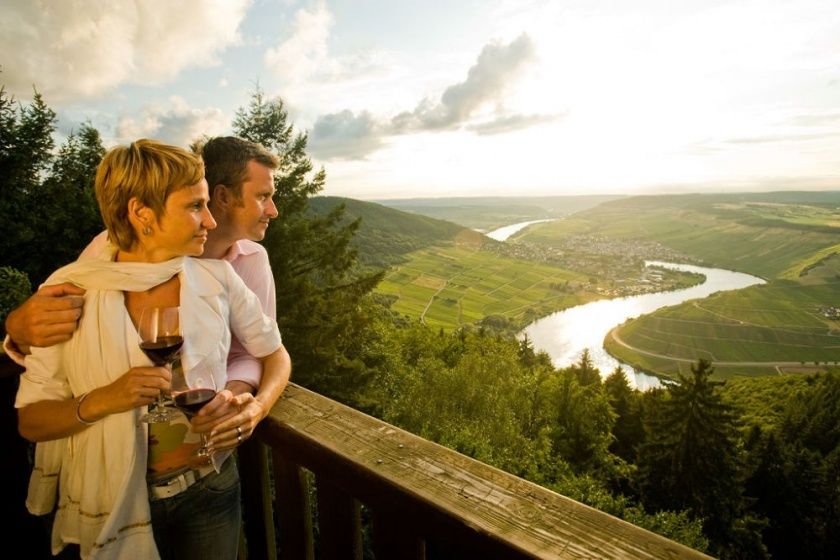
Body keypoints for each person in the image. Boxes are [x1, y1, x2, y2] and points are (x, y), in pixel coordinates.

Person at [15, 139, 286, 559]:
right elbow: (31, 421)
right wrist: (105, 399)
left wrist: (254, 407)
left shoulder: (218, 278)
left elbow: (274, 353)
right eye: (195, 206)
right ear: (142, 211)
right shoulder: (73, 290)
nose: (211, 221)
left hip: (210, 488)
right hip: (111, 495)